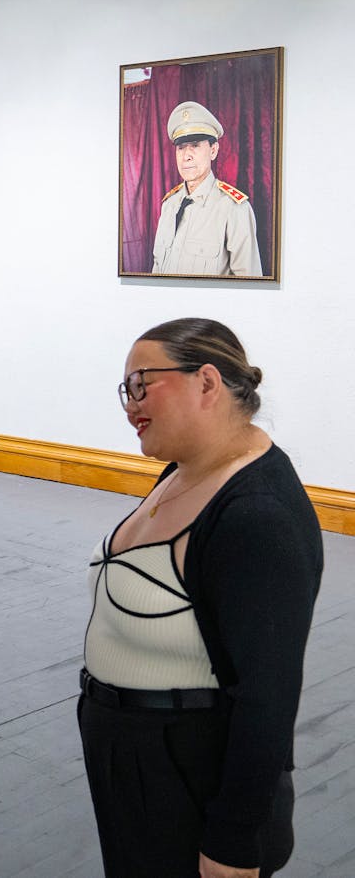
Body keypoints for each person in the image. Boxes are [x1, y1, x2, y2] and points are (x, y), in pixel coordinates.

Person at [80, 318, 322, 877]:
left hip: (188, 774)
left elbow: (268, 698)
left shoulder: (257, 517)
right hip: (136, 762)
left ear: (207, 382)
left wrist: (232, 843)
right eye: (125, 389)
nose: (130, 403)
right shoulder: (182, 471)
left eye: (142, 383)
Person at [150, 102, 262, 276]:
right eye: (180, 148)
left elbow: (249, 285)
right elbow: (157, 269)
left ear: (213, 150)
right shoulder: (169, 206)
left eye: (194, 145)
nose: (186, 156)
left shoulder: (234, 209)